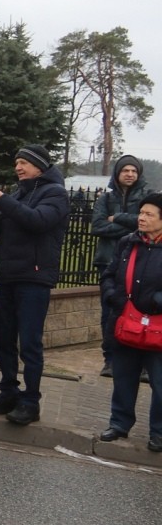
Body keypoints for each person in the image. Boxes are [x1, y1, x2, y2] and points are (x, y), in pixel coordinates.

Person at [0, 144, 70, 426]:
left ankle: (31, 402)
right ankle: (8, 393)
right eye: (16, 162)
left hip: (35, 278)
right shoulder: (20, 194)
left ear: (39, 165)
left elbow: (37, 221)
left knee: (29, 343)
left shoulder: (55, 193)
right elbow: (0, 232)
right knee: (3, 340)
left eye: (23, 163)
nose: (18, 167)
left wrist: (2, 199)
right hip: (9, 276)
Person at [99, 192, 162, 453]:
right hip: (127, 321)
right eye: (141, 212)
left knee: (160, 384)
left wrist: (157, 300)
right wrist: (114, 297)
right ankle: (119, 423)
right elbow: (109, 274)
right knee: (123, 377)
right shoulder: (128, 242)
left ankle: (158, 432)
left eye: (149, 214)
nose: (142, 218)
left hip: (158, 328)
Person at [91, 155, 148, 377]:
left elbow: (146, 225)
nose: (130, 174)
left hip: (140, 261)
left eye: (134, 171)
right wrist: (131, 226)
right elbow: (97, 226)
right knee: (110, 311)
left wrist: (117, 218)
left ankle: (143, 364)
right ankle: (110, 360)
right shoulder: (104, 199)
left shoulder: (147, 197)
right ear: (118, 173)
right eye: (126, 170)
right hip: (108, 262)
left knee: (141, 310)